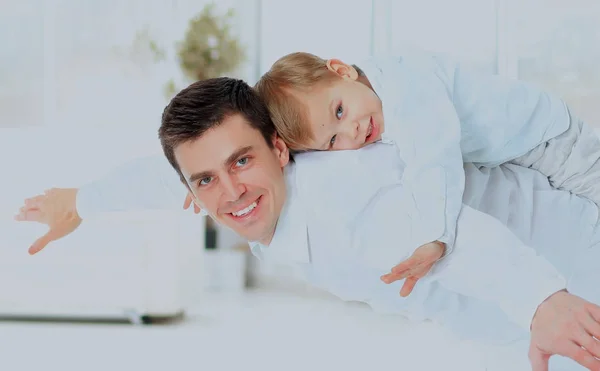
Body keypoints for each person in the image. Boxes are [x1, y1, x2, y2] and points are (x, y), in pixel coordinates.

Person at [16, 78, 600, 371]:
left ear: (279, 148)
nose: (231, 192)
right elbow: (159, 174)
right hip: (524, 302)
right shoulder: (243, 182)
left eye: (242, 162)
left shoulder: (335, 205)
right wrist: (81, 201)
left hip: (567, 267)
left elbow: (459, 242)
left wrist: (540, 302)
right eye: (206, 180)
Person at [254, 50, 600, 281]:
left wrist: (433, 236)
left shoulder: (405, 87)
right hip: (516, 152)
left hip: (549, 137)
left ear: (342, 71)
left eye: (340, 111)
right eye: (332, 141)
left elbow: (433, 158)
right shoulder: (369, 103)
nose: (352, 132)